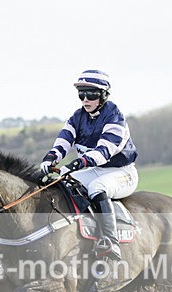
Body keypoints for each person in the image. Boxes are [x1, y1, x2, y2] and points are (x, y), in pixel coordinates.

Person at [40, 69, 138, 261]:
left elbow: (103, 152)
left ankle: (110, 242)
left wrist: (77, 163)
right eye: (81, 94)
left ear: (103, 96)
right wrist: (50, 158)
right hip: (95, 170)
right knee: (63, 183)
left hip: (122, 172)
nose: (85, 99)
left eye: (91, 94)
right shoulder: (78, 116)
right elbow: (64, 140)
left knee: (97, 187)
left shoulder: (114, 117)